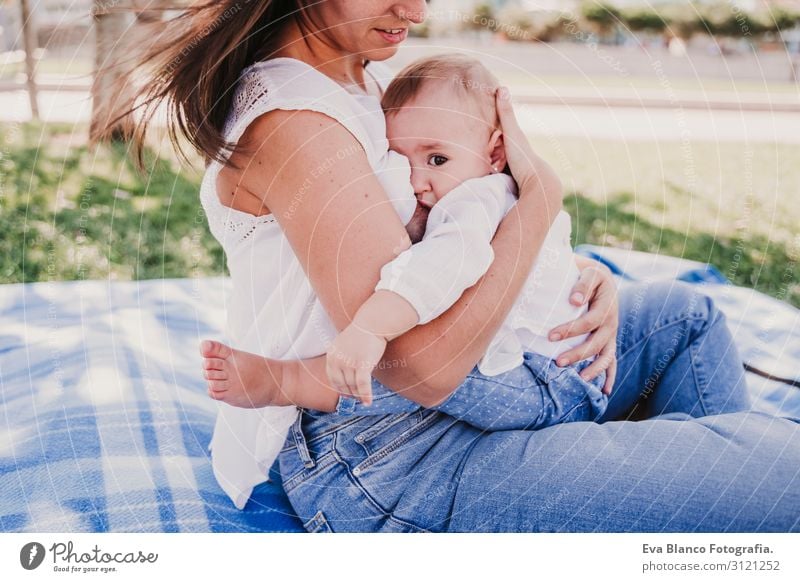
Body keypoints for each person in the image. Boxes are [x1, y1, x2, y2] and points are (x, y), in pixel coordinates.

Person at [93, 0, 800, 531]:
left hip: (490, 376)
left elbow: (458, 222)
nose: (418, 9)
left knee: (687, 316)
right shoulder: (297, 123)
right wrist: (540, 200)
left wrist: (573, 277)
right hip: (392, 456)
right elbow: (420, 368)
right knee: (782, 472)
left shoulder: (358, 80)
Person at [200, 54, 609, 434]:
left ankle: (290, 380)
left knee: (395, 368)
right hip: (557, 355)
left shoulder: (474, 201)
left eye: (436, 160)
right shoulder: (482, 185)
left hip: (548, 379)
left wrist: (370, 326)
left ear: (497, 152)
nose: (416, 182)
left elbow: (439, 268)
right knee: (409, 367)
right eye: (402, 159)